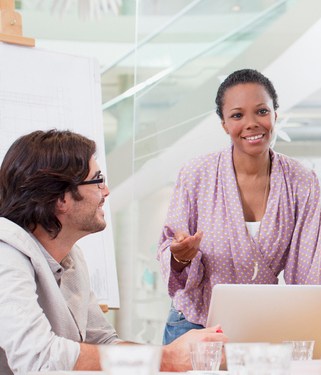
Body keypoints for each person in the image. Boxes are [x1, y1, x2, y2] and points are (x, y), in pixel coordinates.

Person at [0, 130, 225, 373]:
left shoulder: (72, 258)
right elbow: (39, 358)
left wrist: (174, 357)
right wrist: (167, 358)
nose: (106, 191)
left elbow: (102, 342)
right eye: (97, 180)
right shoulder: (6, 256)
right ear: (61, 198)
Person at [158, 68, 321, 344]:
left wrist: (312, 331)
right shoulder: (195, 174)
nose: (251, 123)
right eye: (237, 115)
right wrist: (181, 256)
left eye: (261, 111)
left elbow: (307, 270)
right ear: (224, 124)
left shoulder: (301, 181)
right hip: (195, 323)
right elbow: (171, 250)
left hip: (263, 323)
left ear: (275, 113)